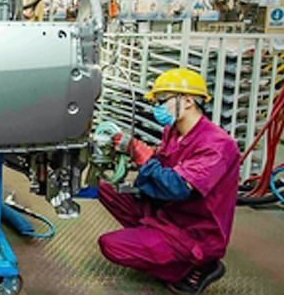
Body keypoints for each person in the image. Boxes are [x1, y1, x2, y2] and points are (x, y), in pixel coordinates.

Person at [98, 68, 240, 295]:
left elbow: (177, 187)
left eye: (162, 100)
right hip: (167, 212)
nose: (157, 107)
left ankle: (195, 267)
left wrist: (145, 159)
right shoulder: (172, 131)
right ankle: (152, 243)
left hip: (193, 231)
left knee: (111, 245)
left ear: (187, 101)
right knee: (104, 188)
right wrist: (135, 151)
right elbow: (165, 160)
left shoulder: (217, 144)